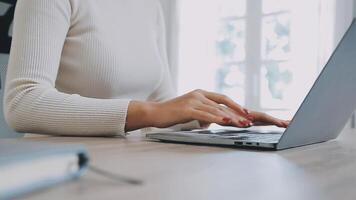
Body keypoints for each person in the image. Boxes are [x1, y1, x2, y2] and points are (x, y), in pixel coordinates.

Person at [4, 0, 289, 136]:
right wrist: (149, 111)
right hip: (69, 171)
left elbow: (163, 105)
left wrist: (210, 114)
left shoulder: (150, 6)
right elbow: (22, 102)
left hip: (139, 164)